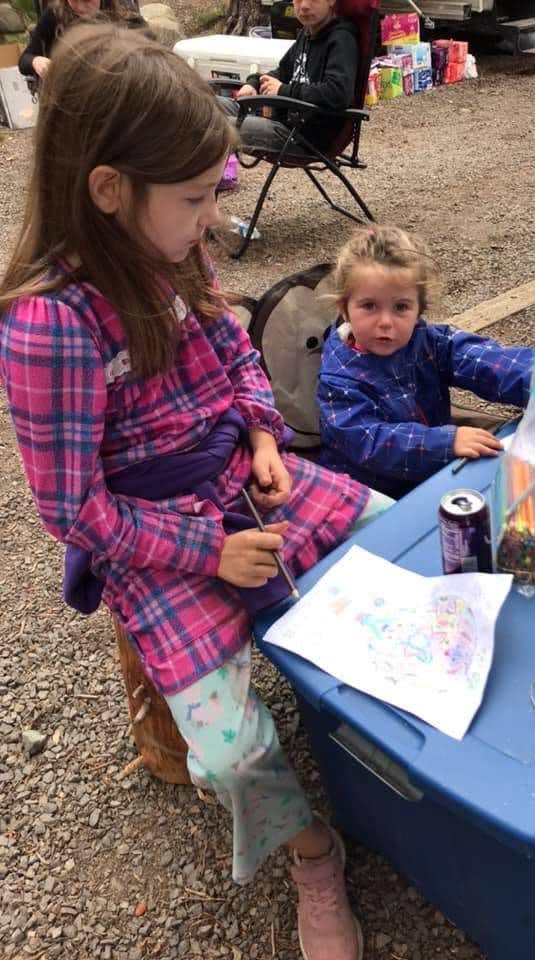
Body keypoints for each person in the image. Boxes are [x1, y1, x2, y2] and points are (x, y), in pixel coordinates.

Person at [0, 25, 385, 960]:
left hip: (236, 477)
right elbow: (74, 513)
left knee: (401, 541)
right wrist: (209, 553)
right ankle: (311, 852)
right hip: (156, 540)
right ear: (107, 191)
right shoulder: (49, 324)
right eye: (195, 197)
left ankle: (397, 750)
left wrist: (260, 429)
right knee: (231, 751)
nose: (215, 217)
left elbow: (232, 354)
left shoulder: (176, 250)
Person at [317, 224, 535, 499]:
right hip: (372, 494)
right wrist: (444, 443)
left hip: (436, 471)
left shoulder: (426, 341)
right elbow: (371, 442)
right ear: (344, 309)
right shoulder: (338, 380)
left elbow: (485, 361)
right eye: (369, 306)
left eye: (401, 307)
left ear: (419, 310)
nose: (385, 322)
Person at [218, 0, 358, 158]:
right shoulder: (307, 34)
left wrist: (283, 91)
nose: (304, 6)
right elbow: (281, 72)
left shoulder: (341, 40)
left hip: (304, 137)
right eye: (298, 0)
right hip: (283, 121)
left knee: (210, 123)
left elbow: (338, 93)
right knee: (205, 104)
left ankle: (202, 179)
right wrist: (254, 84)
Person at [18, 0, 148, 81]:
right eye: (74, 0)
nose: (80, 7)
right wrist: (36, 61)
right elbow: (25, 60)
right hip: (72, 98)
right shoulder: (54, 14)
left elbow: (151, 56)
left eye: (87, 0)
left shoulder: (125, 14)